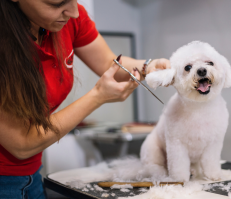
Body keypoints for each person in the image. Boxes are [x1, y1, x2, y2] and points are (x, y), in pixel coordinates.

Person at [0, 0, 170, 198]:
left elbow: (110, 63)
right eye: (57, 4)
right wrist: (97, 97)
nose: (73, 12)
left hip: (33, 175)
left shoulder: (69, 19)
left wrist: (148, 67)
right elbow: (22, 144)